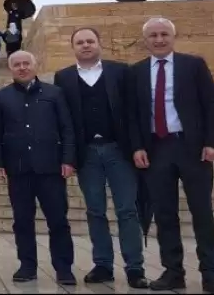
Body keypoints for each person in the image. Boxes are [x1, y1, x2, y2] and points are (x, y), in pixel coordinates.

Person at [129, 17, 214, 294]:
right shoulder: (136, 72)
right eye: (153, 35)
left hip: (192, 149)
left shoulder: (193, 65)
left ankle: (211, 274)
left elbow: (211, 104)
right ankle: (173, 272)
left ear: (173, 37)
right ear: (145, 40)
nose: (159, 40)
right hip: (156, 149)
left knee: (202, 213)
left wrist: (213, 142)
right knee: (164, 214)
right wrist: (137, 147)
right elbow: (133, 114)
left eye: (164, 34)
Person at [53, 27, 148, 288]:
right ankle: (103, 264)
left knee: (127, 210)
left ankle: (135, 267)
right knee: (95, 210)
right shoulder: (64, 77)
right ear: (73, 47)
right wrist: (68, 156)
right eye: (80, 42)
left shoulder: (120, 71)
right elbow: (66, 122)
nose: (85, 45)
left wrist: (138, 146)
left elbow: (132, 112)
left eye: (90, 41)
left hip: (119, 149)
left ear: (99, 44)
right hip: (88, 154)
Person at [0, 50, 77, 285]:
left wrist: (68, 160)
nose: (22, 68)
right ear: (11, 69)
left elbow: (67, 128)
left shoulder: (54, 93)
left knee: (58, 220)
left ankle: (64, 268)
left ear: (35, 65)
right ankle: (27, 266)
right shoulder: (2, 96)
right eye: (16, 64)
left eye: (26, 63)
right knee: (22, 220)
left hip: (50, 168)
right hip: (18, 170)